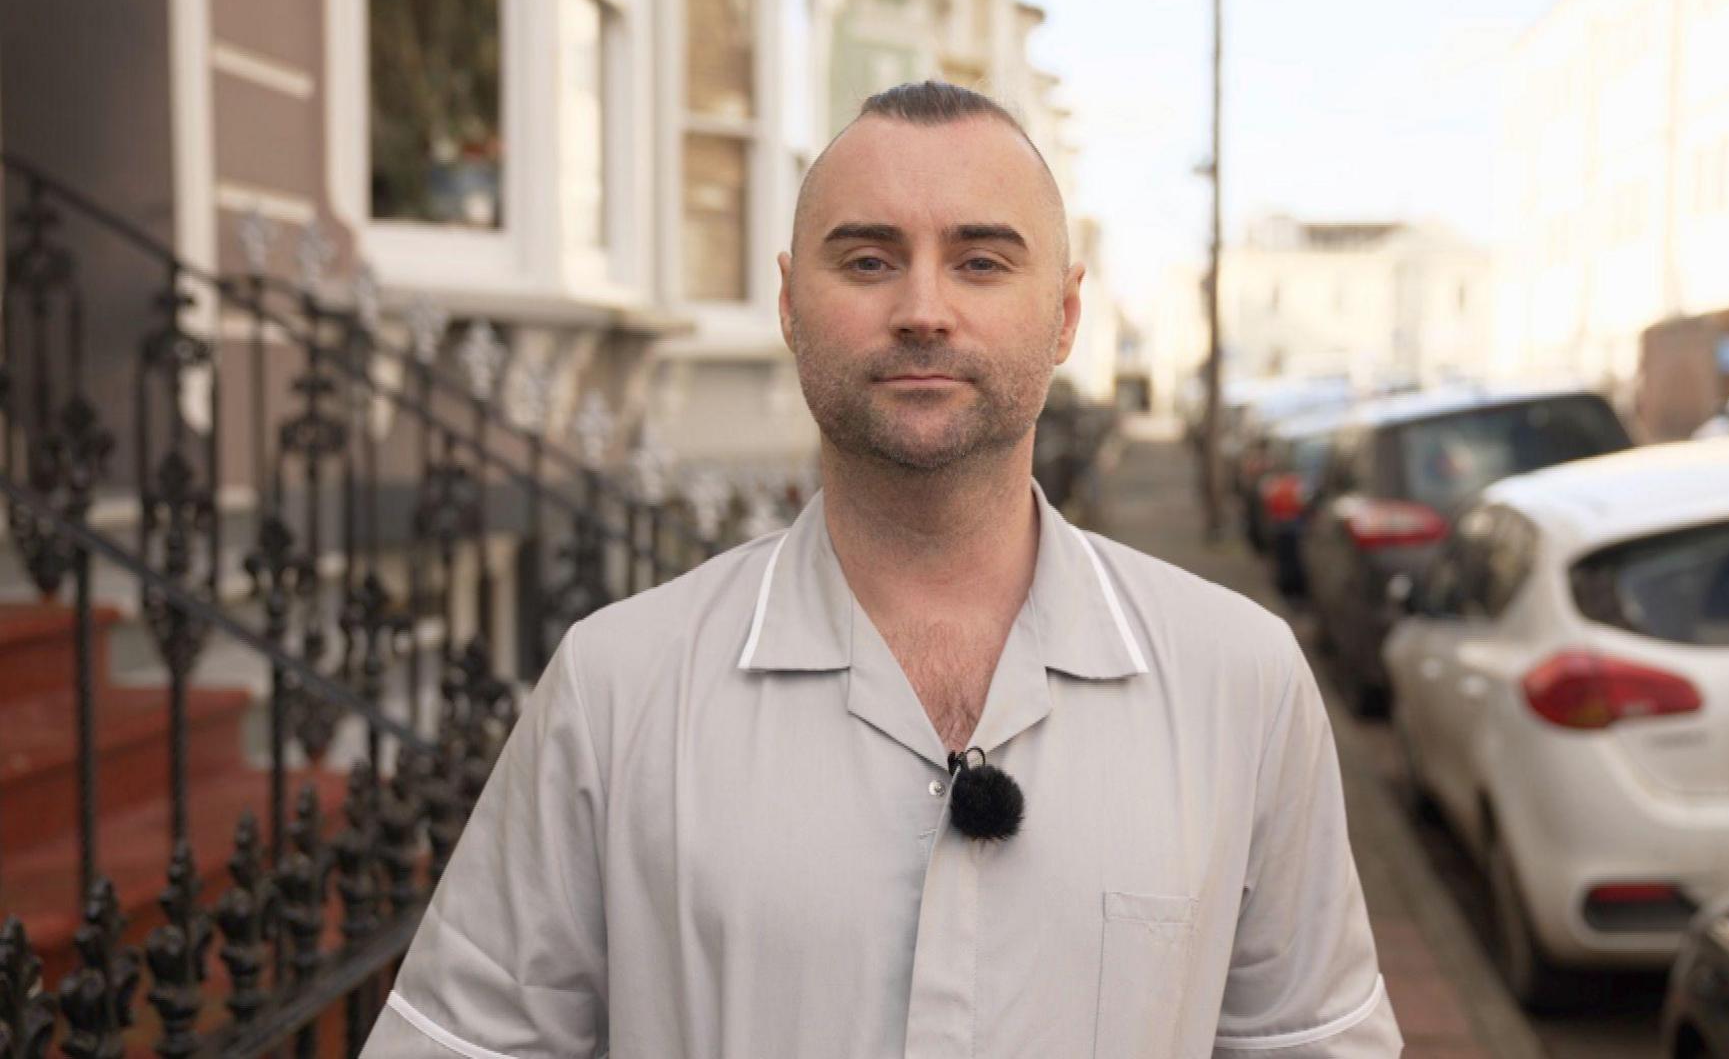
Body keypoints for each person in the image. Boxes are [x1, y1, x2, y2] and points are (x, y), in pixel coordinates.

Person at [363, 81, 1401, 1059]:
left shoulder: (1240, 680)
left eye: (982, 262)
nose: (922, 309)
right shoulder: (618, 687)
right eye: (866, 260)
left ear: (1067, 317)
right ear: (787, 303)